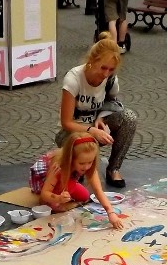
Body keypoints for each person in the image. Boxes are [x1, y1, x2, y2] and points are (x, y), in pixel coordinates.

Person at [57, 33, 138, 189]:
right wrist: (92, 130)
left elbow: (111, 102)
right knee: (77, 183)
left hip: (95, 125)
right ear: (92, 61)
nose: (106, 73)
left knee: (129, 118)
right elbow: (66, 122)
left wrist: (101, 116)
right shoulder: (73, 78)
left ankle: (113, 168)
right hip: (72, 131)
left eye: (111, 69)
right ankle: (76, 168)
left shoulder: (110, 79)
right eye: (103, 68)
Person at [34, 134, 124, 229]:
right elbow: (45, 193)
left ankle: (64, 191)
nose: (86, 167)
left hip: (67, 177)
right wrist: (58, 198)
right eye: (81, 163)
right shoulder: (58, 166)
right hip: (45, 179)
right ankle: (54, 200)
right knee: (61, 196)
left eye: (90, 162)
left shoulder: (88, 165)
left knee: (84, 195)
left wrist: (111, 213)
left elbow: (98, 191)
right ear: (71, 159)